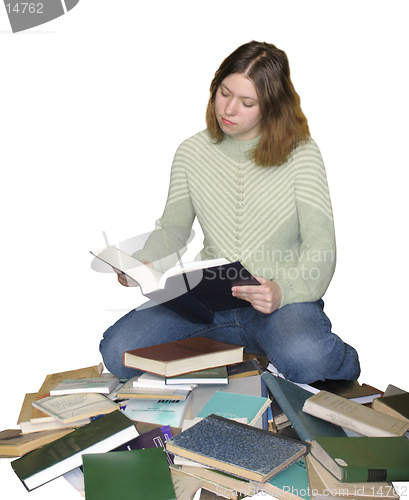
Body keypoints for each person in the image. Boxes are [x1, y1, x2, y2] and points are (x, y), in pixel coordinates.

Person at [99, 41, 360, 384]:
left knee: (309, 360)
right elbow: (173, 231)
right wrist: (143, 265)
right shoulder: (192, 152)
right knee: (119, 351)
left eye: (247, 102)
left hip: (279, 302)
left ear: (271, 107)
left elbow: (320, 244)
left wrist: (284, 291)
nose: (230, 109)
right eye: (224, 93)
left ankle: (329, 359)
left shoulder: (302, 153)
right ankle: (244, 354)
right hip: (207, 302)